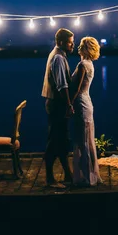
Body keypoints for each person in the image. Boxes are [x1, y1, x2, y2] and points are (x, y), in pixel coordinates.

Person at [41, 28, 75, 188]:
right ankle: (49, 178)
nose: (72, 45)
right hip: (57, 104)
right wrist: (68, 104)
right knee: (55, 139)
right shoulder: (59, 58)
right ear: (61, 42)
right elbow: (62, 86)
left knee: (60, 139)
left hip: (54, 103)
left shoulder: (55, 54)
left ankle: (68, 174)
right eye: (70, 42)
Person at [70, 36, 102, 187]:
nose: (78, 48)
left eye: (81, 46)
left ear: (84, 48)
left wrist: (69, 103)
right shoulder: (90, 64)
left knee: (83, 141)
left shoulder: (83, 65)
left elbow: (76, 88)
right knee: (87, 140)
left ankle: (87, 177)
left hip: (81, 104)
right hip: (87, 102)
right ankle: (90, 174)